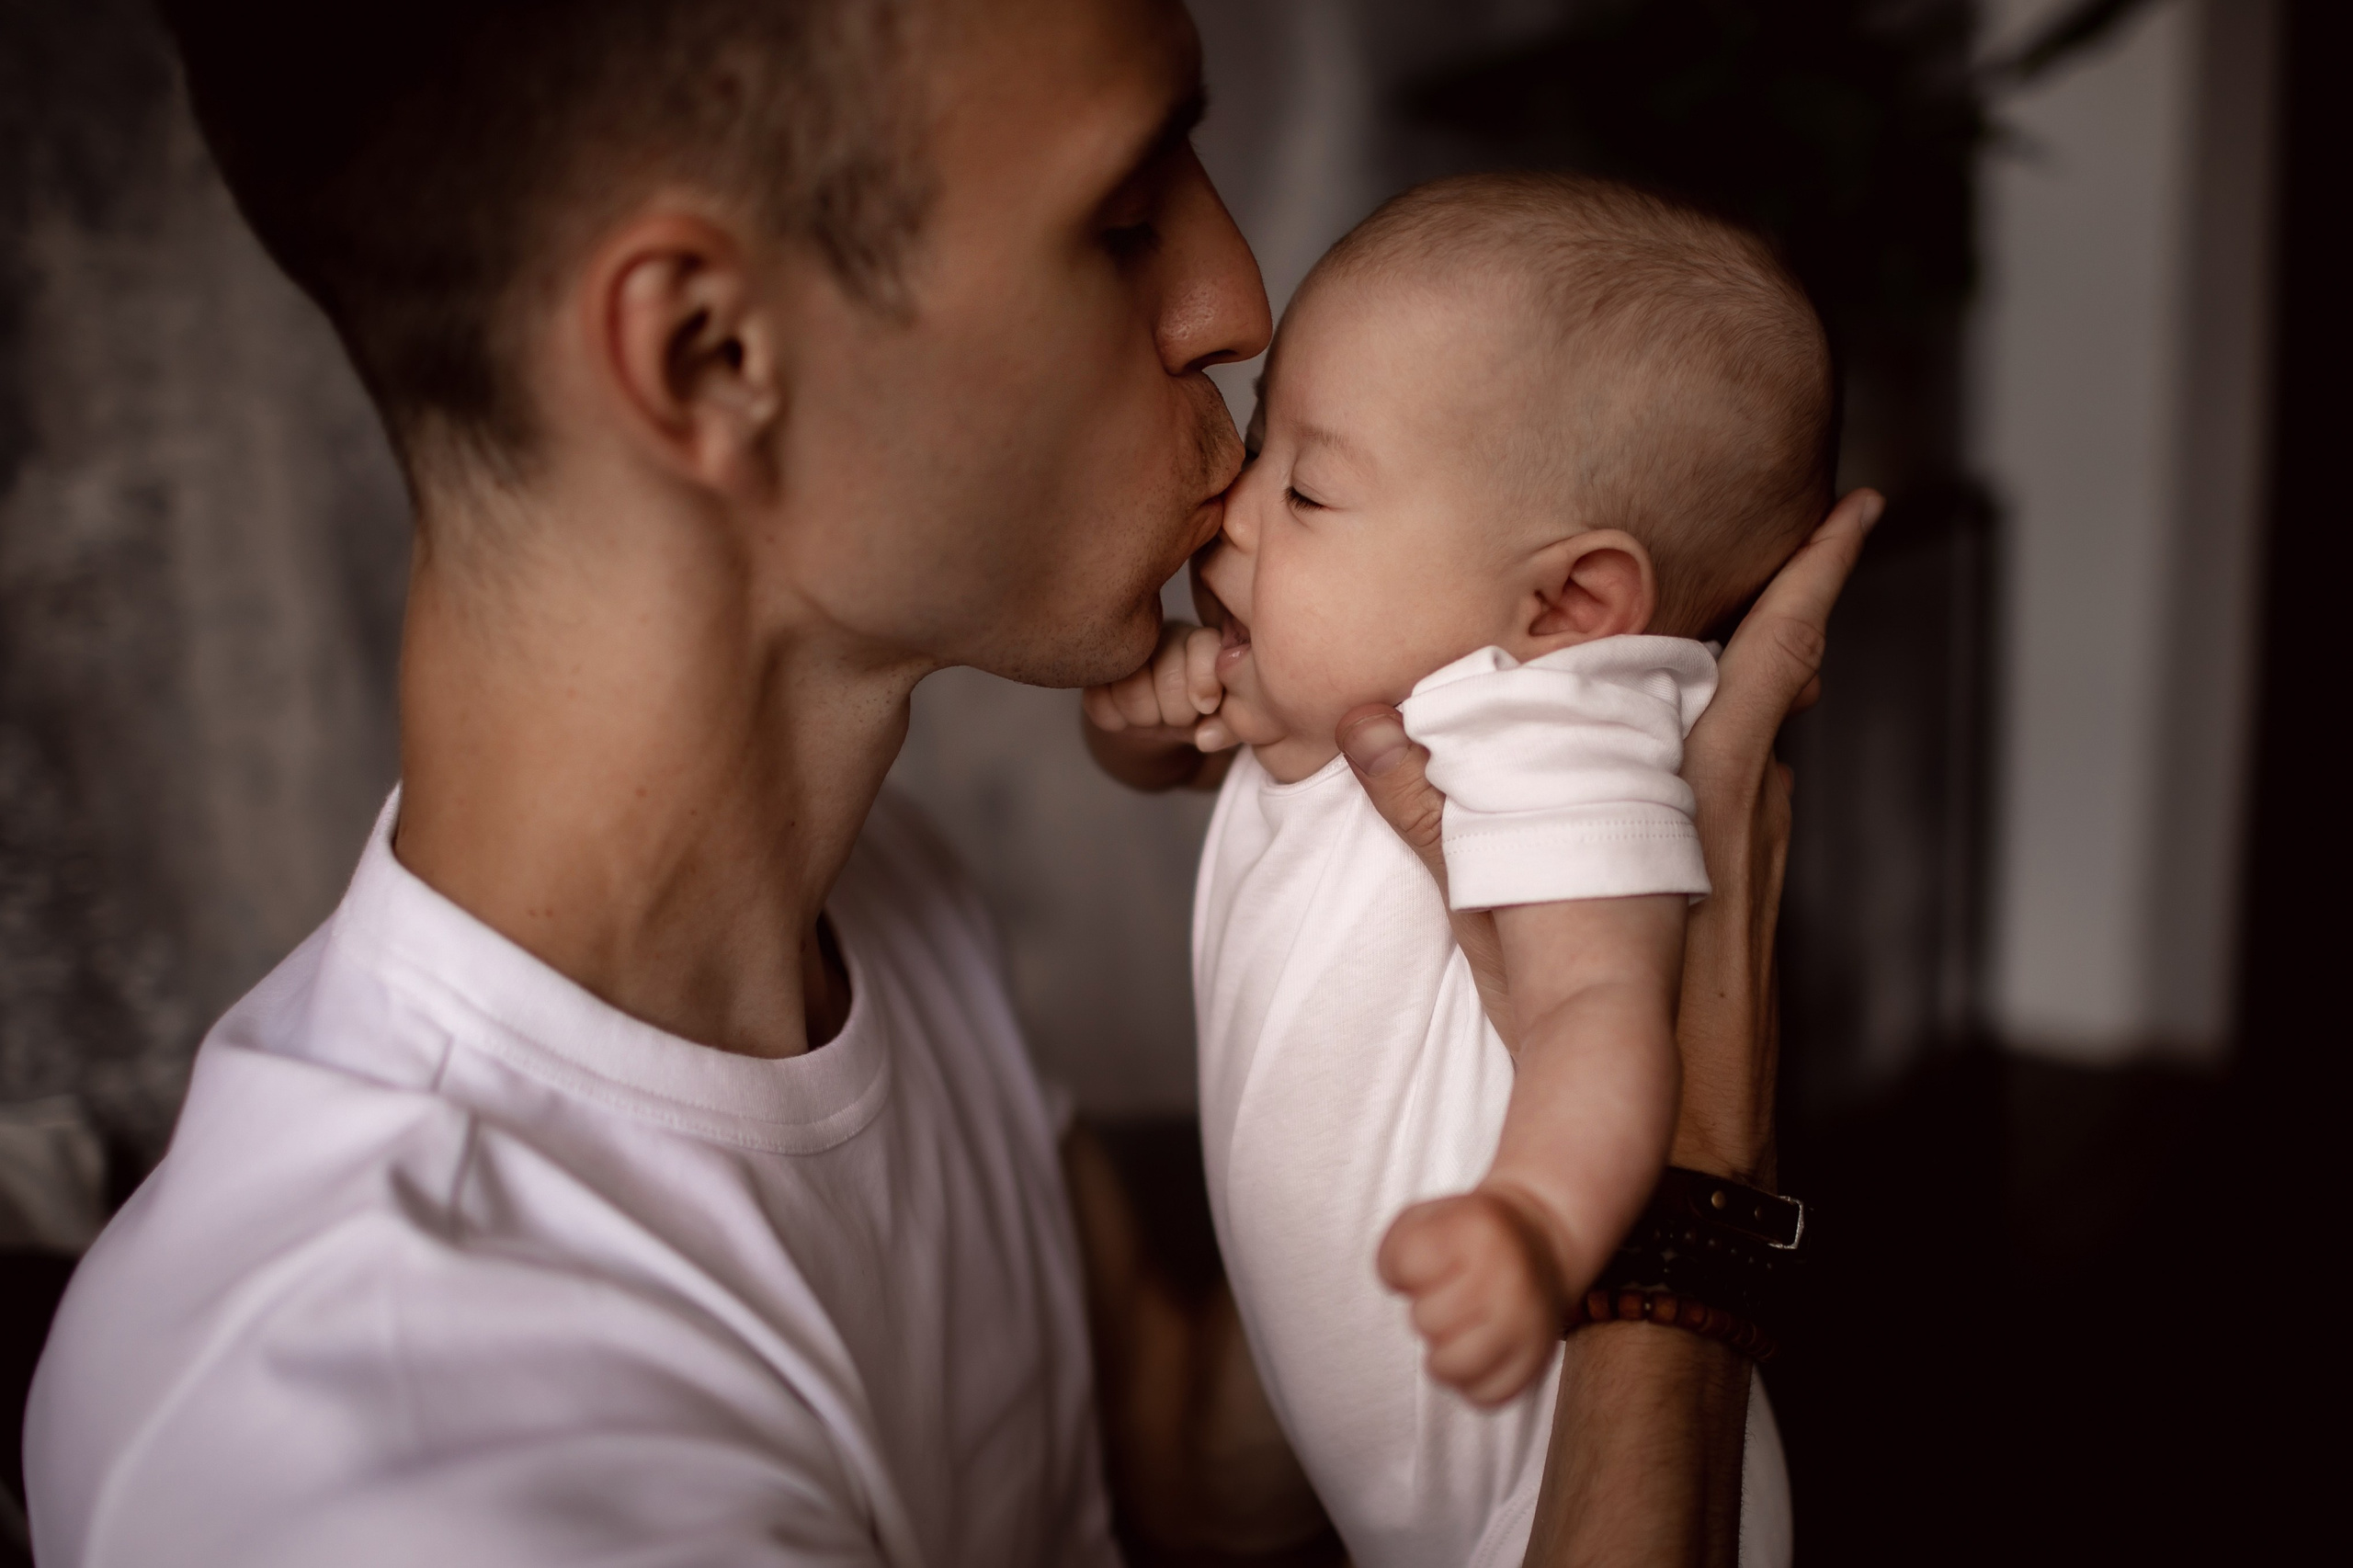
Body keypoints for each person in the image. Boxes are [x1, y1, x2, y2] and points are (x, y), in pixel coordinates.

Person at [25, 1, 1879, 1564]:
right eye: (1121, 214)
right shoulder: (383, 1448)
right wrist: (1683, 1170)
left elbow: (1167, 1440)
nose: (1237, 300)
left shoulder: (876, 907)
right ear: (707, 357)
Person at [1081, 173, 1835, 1567]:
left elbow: (1603, 1012)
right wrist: (1143, 719)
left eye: (1306, 486)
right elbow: (1182, 767)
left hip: (1553, 1455)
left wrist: (1542, 1222)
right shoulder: (1359, 684)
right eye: (1263, 446)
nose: (1236, 510)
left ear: (1562, 607)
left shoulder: (1551, 730)